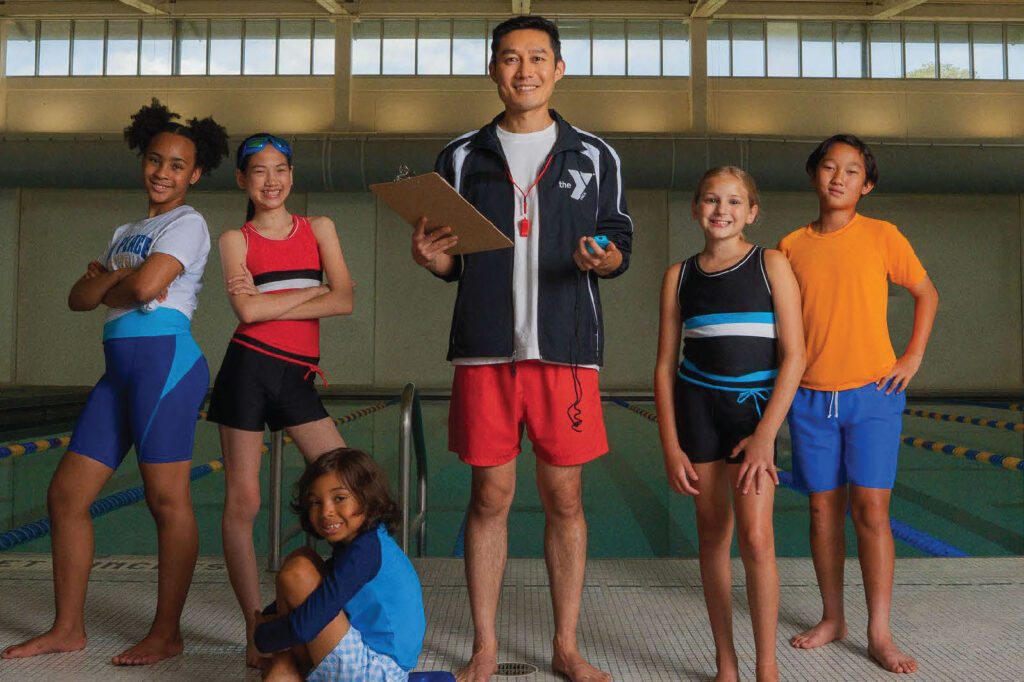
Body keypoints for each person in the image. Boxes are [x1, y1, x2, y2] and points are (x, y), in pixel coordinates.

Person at [410, 15, 632, 682]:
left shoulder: (595, 155)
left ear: (559, 69)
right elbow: (455, 259)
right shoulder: (459, 156)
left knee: (565, 500)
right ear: (493, 70)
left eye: (538, 57)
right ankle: (483, 646)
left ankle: (566, 646)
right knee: (489, 498)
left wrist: (606, 257)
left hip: (566, 350)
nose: (525, 70)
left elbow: (619, 238)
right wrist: (433, 261)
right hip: (485, 350)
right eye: (510, 58)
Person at [0, 99, 228, 665]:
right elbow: (79, 299)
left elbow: (147, 289)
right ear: (143, 160)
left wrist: (113, 279)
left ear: (194, 174)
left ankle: (166, 632)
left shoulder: (189, 223)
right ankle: (67, 628)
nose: (163, 172)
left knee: (166, 497)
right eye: (156, 160)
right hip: (118, 374)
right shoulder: (127, 230)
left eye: (177, 165)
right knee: (65, 496)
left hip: (166, 368)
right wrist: (117, 281)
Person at [779, 134, 938, 674]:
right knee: (823, 512)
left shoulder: (882, 235)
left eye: (851, 171)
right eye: (829, 167)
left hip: (874, 395)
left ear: (866, 185)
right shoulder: (790, 246)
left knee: (871, 511)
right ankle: (832, 618)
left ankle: (878, 630)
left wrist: (911, 356)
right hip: (809, 399)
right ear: (813, 175)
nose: (839, 177)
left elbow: (926, 292)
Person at [206, 133, 355, 667]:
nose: (272, 181)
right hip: (246, 370)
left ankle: (336, 609)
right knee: (243, 501)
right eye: (259, 171)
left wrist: (270, 301)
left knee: (347, 488)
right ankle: (256, 630)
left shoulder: (319, 229)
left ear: (292, 176)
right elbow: (246, 316)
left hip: (295, 377)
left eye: (281, 170)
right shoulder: (234, 239)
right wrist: (310, 294)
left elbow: (344, 299)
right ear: (244, 181)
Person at [655, 167, 804, 682]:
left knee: (757, 539)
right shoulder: (680, 276)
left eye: (735, 202)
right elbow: (663, 366)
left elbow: (795, 356)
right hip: (697, 410)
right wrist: (670, 445)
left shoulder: (771, 265)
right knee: (711, 534)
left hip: (752, 415)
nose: (722, 210)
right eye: (712, 201)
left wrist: (766, 436)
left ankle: (767, 665)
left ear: (752, 212)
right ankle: (727, 662)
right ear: (696, 208)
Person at [252, 448, 425, 682]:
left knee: (298, 570)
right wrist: (271, 615)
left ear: (368, 498)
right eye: (315, 502)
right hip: (380, 667)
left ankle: (286, 666)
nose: (326, 512)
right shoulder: (365, 544)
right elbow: (321, 597)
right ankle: (287, 666)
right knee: (306, 560)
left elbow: (307, 626)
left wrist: (262, 636)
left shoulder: (365, 552)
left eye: (339, 498)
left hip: (377, 673)